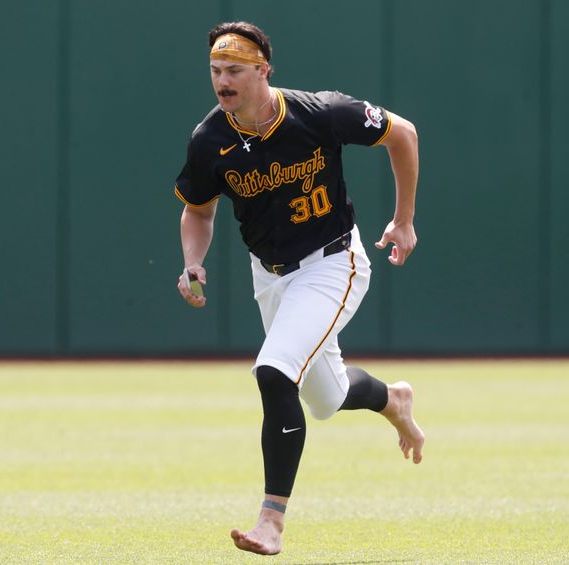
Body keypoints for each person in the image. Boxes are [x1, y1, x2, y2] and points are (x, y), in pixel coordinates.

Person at [173, 21, 425, 556]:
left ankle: (271, 521)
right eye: (216, 70)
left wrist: (403, 221)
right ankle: (393, 400)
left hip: (335, 262)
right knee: (326, 397)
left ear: (264, 70)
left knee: (273, 371)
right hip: (271, 274)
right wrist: (192, 261)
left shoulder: (320, 112)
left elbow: (402, 133)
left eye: (235, 70)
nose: (223, 80)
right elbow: (198, 210)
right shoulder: (210, 139)